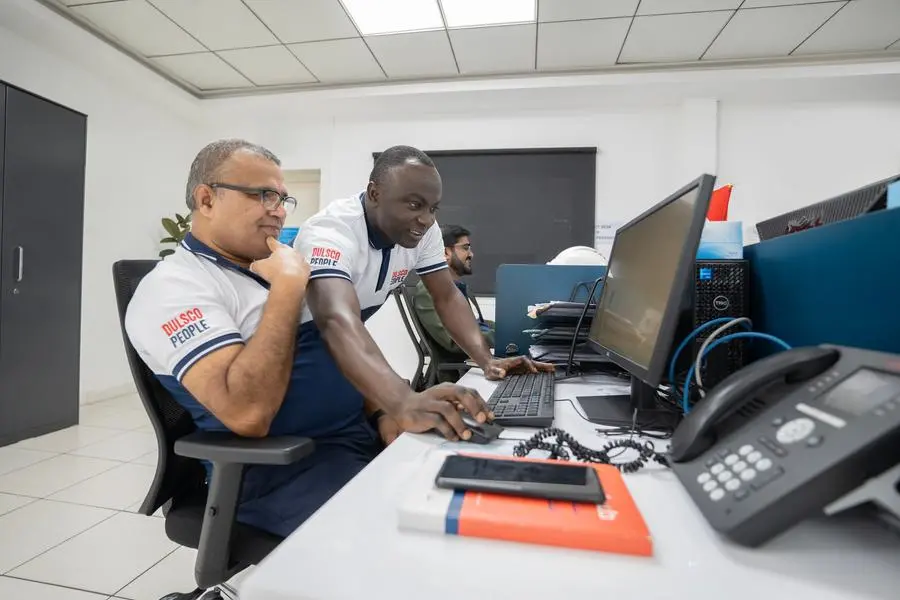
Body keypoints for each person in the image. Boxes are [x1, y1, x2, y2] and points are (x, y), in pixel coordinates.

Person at [125, 139, 487, 538]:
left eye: (283, 198)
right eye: (262, 195)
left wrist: (383, 411)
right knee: (425, 538)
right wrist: (288, 288)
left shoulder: (269, 266)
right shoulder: (174, 288)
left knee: (471, 496)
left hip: (357, 440)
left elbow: (334, 347)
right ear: (206, 199)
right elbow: (247, 414)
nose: (279, 210)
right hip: (285, 472)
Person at [293, 145, 553, 438]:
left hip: (343, 358)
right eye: (415, 205)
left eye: (433, 208)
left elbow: (446, 296)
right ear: (375, 193)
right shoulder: (330, 233)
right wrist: (403, 401)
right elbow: (335, 320)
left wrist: (486, 360)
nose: (427, 219)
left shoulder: (424, 231)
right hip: (298, 360)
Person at [412, 224, 494, 381]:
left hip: (470, 368)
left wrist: (506, 329)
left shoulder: (458, 289)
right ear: (445, 253)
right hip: (455, 377)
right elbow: (454, 341)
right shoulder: (429, 291)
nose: (471, 254)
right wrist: (502, 337)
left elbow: (477, 324)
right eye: (465, 248)